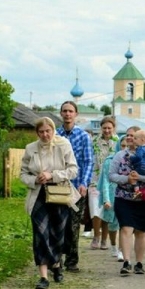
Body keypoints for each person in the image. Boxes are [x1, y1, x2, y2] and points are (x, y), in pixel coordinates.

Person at [20, 117, 79, 289]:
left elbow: (73, 170)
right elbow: (22, 174)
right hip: (38, 195)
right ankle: (43, 276)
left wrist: (52, 175)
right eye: (41, 132)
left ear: (53, 130)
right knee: (40, 233)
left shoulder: (63, 144)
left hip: (59, 194)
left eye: (48, 131)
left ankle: (56, 264)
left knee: (58, 233)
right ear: (37, 133)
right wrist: (35, 179)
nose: (45, 135)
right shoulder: (31, 148)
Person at [109, 126, 145, 275]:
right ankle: (126, 262)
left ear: (142, 139)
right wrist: (127, 179)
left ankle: (139, 263)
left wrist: (140, 178)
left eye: (133, 135)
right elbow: (111, 175)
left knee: (141, 231)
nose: (130, 138)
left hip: (144, 199)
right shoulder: (120, 155)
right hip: (124, 197)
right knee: (126, 228)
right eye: (128, 135)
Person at [57, 101, 94, 273]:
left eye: (70, 111)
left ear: (76, 114)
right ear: (61, 113)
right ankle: (56, 259)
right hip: (58, 186)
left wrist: (84, 183)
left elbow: (88, 161)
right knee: (57, 223)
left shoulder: (83, 136)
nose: (67, 114)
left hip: (77, 187)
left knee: (73, 225)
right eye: (64, 111)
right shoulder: (55, 135)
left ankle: (72, 261)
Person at [89, 116, 119, 250]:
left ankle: (104, 239)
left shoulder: (118, 142)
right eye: (104, 128)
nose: (107, 130)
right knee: (96, 208)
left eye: (109, 128)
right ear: (101, 128)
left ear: (113, 128)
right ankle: (96, 235)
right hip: (95, 180)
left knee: (108, 210)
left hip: (111, 181)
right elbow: (90, 160)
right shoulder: (94, 141)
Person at [98, 135, 127, 261]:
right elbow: (105, 180)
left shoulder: (131, 160)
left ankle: (121, 250)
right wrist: (106, 199)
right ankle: (114, 246)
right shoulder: (110, 160)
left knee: (124, 225)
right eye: (123, 145)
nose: (125, 148)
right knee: (112, 224)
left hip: (125, 195)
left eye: (127, 146)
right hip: (111, 194)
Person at [129, 129, 145, 201]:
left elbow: (138, 157)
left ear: (142, 140)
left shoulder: (140, 148)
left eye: (135, 138)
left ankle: (137, 191)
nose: (133, 140)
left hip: (142, 167)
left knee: (134, 175)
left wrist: (131, 158)